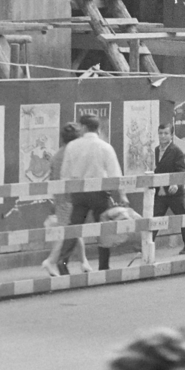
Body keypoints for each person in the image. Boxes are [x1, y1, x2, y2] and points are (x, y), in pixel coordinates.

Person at [51, 114, 120, 274]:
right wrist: (121, 195)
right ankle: (104, 265)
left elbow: (65, 174)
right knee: (103, 228)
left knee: (74, 227)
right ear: (98, 128)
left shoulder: (72, 146)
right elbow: (115, 174)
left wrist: (67, 193)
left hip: (79, 193)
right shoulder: (105, 147)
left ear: (83, 127)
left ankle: (63, 260)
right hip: (100, 193)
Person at [43, 123, 87, 277]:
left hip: (62, 199)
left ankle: (84, 262)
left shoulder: (59, 154)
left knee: (75, 229)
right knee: (67, 233)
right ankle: (51, 260)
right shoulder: (70, 153)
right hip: (68, 199)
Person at [153, 121, 185, 257]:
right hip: (161, 191)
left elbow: (181, 171)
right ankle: (147, 244)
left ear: (171, 135)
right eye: (160, 133)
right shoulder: (156, 150)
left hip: (174, 192)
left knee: (182, 216)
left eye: (166, 133)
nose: (163, 136)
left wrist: (176, 184)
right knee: (155, 217)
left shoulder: (176, 151)